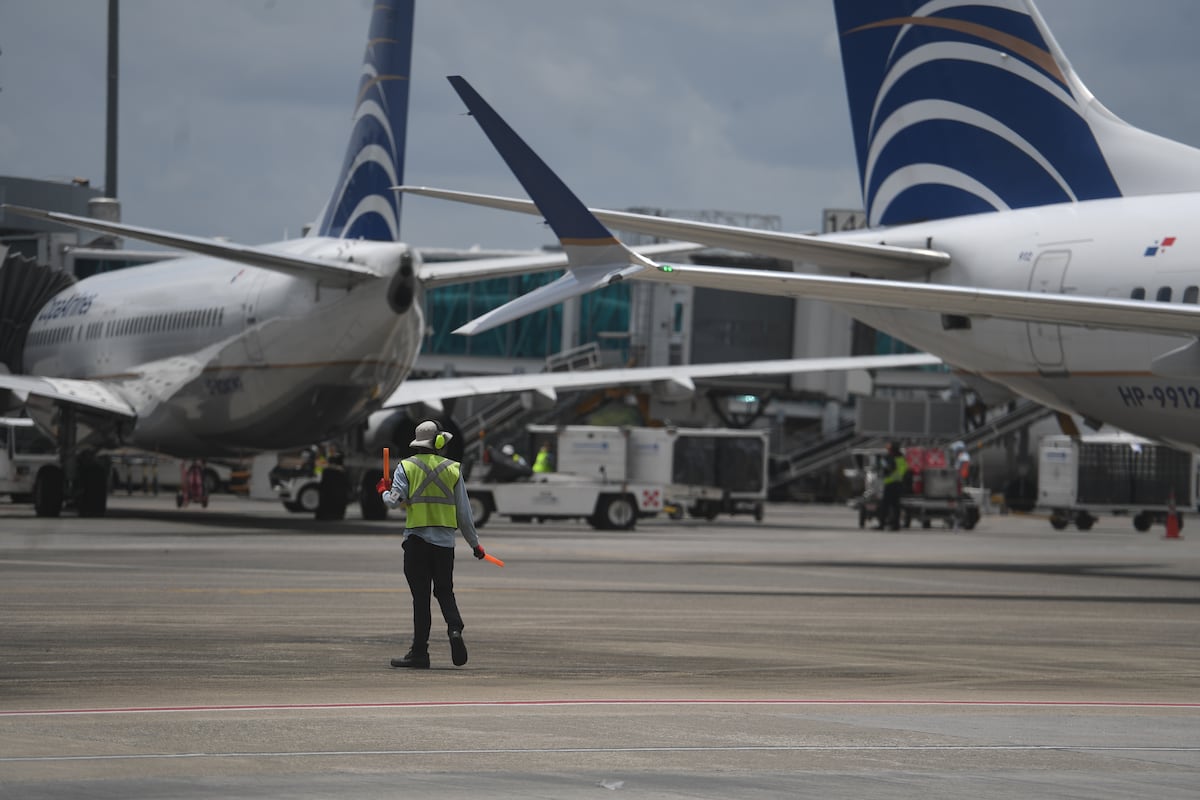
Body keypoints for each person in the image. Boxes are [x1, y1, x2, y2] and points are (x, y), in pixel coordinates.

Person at [377, 420, 486, 669]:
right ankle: (455, 629)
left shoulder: (406, 467)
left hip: (417, 543)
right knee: (445, 592)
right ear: (439, 443)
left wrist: (383, 491)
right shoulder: (453, 469)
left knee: (421, 599)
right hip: (444, 545)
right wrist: (475, 545)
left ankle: (419, 652)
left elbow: (394, 502)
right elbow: (465, 514)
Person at [877, 441, 908, 531]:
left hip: (893, 484)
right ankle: (890, 524)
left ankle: (889, 525)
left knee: (890, 505)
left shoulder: (896, 457)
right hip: (894, 484)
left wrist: (889, 471)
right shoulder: (894, 457)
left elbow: (900, 471)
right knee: (892, 505)